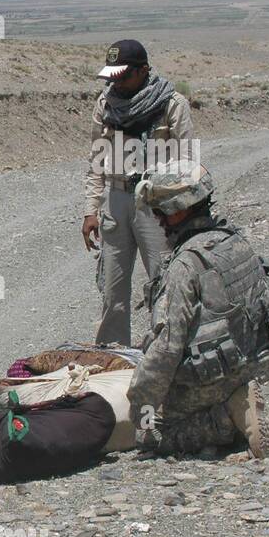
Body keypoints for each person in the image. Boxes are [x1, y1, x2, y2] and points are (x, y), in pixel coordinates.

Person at [127, 163, 269, 458]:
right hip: (254, 363)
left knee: (154, 436)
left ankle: (227, 417)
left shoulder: (186, 265)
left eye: (160, 211)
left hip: (215, 377)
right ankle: (237, 399)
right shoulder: (236, 243)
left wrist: (141, 406)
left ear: (178, 211)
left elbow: (166, 348)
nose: (158, 219)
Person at [81, 39, 197, 347]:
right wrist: (90, 210)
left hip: (157, 203)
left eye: (124, 74)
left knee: (163, 282)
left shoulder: (172, 104)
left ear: (143, 70)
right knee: (112, 288)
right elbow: (96, 161)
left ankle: (165, 353)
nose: (116, 81)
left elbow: (187, 163)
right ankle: (113, 357)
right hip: (116, 199)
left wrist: (181, 212)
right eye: (112, 75)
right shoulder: (105, 105)